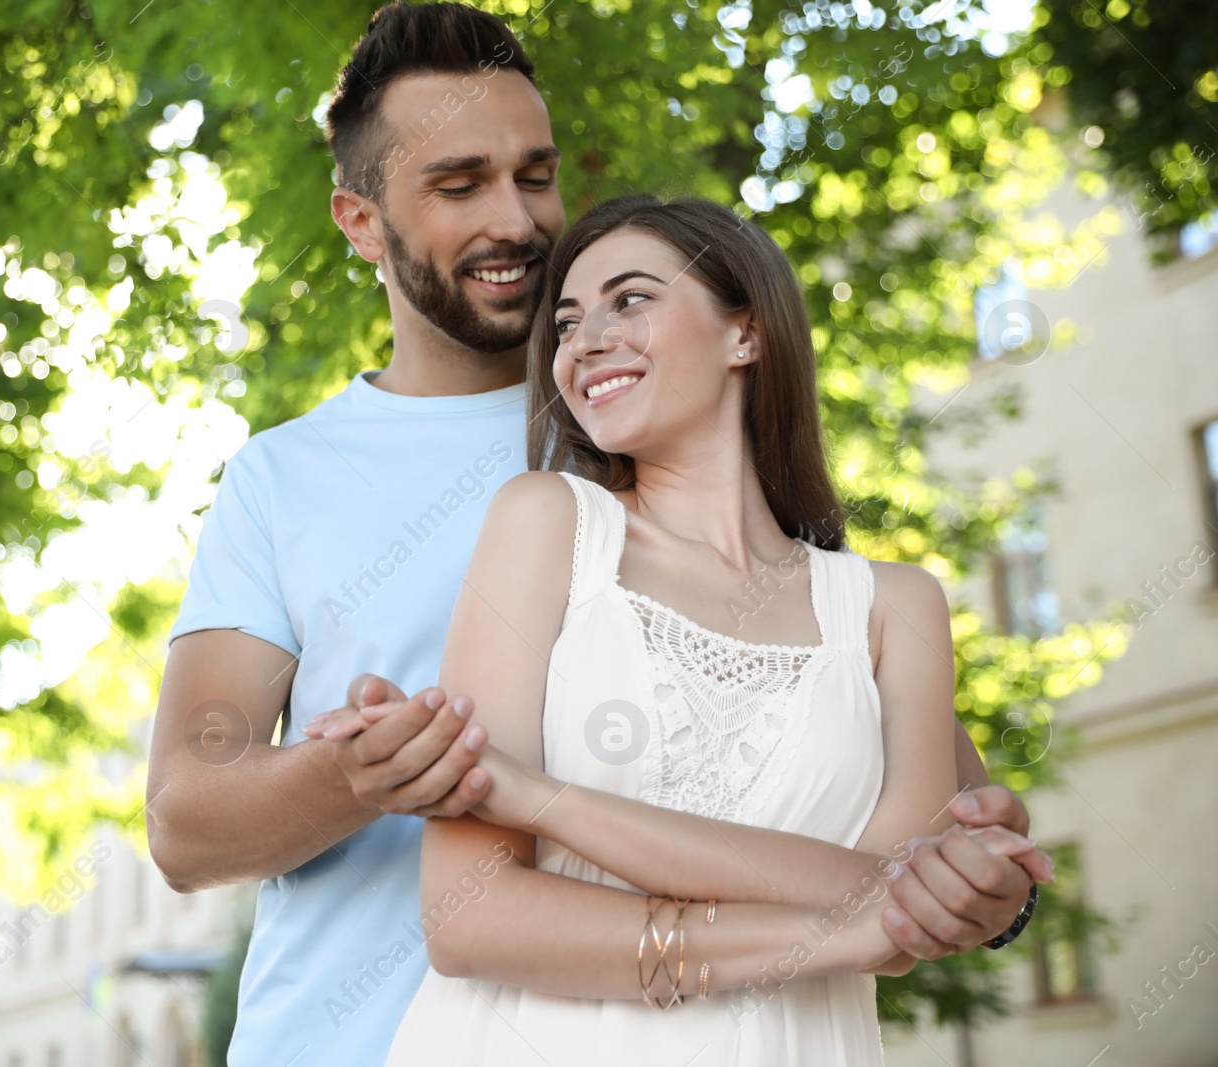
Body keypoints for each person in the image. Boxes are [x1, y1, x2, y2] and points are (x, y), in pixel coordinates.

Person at [145, 6, 1037, 1066]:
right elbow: (185, 822)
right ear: (361, 221)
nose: (517, 219)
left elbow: (905, 804)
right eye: (458, 183)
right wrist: (365, 773)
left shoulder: (663, 412)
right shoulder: (282, 480)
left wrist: (981, 888)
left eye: (535, 174)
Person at [364, 194, 1052, 1065]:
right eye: (568, 321)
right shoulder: (547, 524)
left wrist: (534, 797)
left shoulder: (893, 608)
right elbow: (470, 920)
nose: (585, 340)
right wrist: (834, 935)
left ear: (747, 333)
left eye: (632, 298)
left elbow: (897, 894)